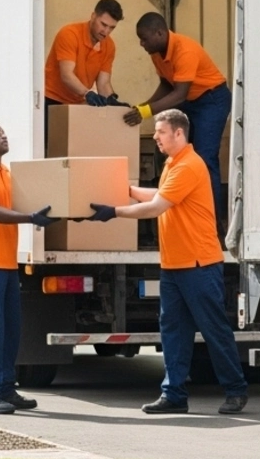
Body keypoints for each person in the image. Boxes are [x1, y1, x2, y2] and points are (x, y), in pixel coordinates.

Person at [88, 108, 248, 415]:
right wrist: (128, 191)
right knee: (173, 332)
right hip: (175, 265)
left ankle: (235, 390)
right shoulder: (174, 163)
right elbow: (161, 194)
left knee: (214, 330)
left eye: (161, 133)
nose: (156, 138)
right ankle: (174, 394)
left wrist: (116, 211)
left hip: (198, 264)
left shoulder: (189, 165)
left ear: (178, 133)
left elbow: (157, 206)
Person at [0, 120, 58, 415]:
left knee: (10, 330)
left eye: (3, 131)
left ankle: (5, 388)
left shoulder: (4, 172)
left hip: (5, 263)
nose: (3, 135)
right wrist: (30, 218)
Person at [124, 13, 230, 230]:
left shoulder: (185, 50)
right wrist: (143, 106)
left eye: (144, 38)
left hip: (211, 100)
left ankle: (212, 223)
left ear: (160, 33)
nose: (141, 44)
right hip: (190, 99)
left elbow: (180, 93)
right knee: (166, 148)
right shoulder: (157, 52)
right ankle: (173, 208)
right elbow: (166, 84)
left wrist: (146, 111)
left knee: (204, 157)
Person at [44, 0, 123, 108]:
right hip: (51, 98)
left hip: (77, 102)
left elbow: (103, 83)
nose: (106, 32)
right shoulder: (70, 34)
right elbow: (66, 75)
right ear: (93, 16)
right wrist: (87, 93)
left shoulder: (109, 45)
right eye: (103, 25)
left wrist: (112, 101)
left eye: (112, 28)